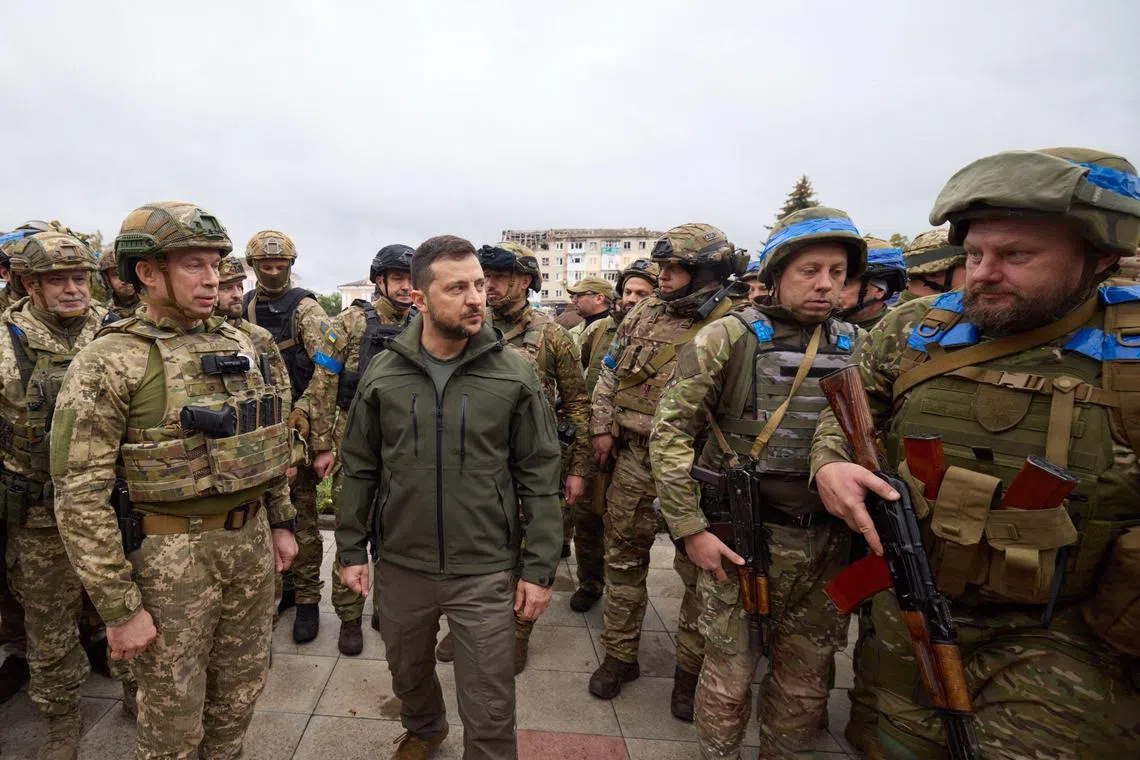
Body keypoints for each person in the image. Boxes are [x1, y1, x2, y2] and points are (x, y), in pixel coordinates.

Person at [811, 147, 1140, 759]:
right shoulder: (916, 329)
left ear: (1099, 257)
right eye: (975, 254)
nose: (984, 273)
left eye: (1016, 255)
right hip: (909, 604)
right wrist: (830, 463)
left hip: (1064, 637)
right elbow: (850, 414)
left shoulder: (1130, 355)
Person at [50, 200, 299, 760]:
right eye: (194, 265)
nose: (213, 278)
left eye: (215, 263)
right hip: (168, 560)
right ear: (147, 272)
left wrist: (281, 521)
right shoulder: (109, 361)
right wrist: (119, 608)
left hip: (250, 547)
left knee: (238, 697)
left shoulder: (249, 344)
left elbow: (270, 438)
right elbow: (78, 498)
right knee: (171, 721)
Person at [650, 207, 866, 758]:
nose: (825, 284)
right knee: (728, 673)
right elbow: (670, 434)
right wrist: (690, 527)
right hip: (744, 538)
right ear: (774, 274)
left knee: (806, 681)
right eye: (809, 270)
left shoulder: (861, 345)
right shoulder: (725, 338)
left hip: (827, 542)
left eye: (838, 273)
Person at [336, 234, 562, 760]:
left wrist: (539, 567)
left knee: (489, 701)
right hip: (402, 563)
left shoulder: (514, 373)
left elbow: (540, 474)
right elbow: (360, 467)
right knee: (407, 673)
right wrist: (350, 550)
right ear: (419, 297)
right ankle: (424, 728)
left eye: (480, 285)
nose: (477, 298)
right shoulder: (385, 373)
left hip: (484, 568)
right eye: (458, 287)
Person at [588, 222, 747, 720]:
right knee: (623, 558)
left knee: (701, 576)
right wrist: (601, 425)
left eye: (675, 268)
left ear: (709, 271)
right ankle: (619, 655)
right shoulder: (644, 312)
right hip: (635, 458)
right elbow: (611, 370)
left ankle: (689, 673)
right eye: (661, 267)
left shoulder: (738, 323)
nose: (663, 277)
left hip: (700, 471)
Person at [443, 240, 589, 673]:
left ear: (525, 281)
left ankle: (518, 631)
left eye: (497, 278)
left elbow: (579, 404)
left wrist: (578, 468)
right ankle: (467, 623)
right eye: (480, 278)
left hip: (528, 464)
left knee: (526, 550)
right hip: (473, 462)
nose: (486, 286)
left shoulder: (552, 335)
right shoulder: (464, 327)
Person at [0, 230, 116, 758]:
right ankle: (61, 721)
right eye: (57, 280)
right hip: (40, 514)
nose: (73, 289)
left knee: (127, 604)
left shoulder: (114, 331)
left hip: (112, 505)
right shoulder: (6, 341)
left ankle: (138, 692)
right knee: (48, 623)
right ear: (29, 284)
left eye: (79, 278)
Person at [242, 230, 339, 644]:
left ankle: (308, 599)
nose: (273, 272)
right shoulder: (246, 306)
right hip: (258, 429)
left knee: (301, 521)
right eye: (265, 266)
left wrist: (315, 432)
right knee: (265, 519)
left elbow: (326, 366)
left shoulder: (306, 309)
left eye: (280, 265)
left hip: (296, 430)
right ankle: (280, 591)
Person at [323, 243, 416, 655]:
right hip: (355, 445)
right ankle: (348, 615)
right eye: (398, 278)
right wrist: (321, 444)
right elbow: (323, 385)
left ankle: (385, 606)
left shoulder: (424, 324)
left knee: (395, 533)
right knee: (352, 529)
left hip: (404, 448)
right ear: (380, 280)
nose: (406, 287)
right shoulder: (348, 324)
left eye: (413, 279)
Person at [570, 260, 660, 613]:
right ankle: (590, 582)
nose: (632, 299)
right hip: (597, 439)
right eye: (628, 292)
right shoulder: (601, 331)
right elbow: (589, 376)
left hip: (639, 447)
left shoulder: (665, 333)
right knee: (586, 516)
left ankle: (622, 587)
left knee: (627, 525)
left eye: (642, 293)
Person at [837, 237, 907, 329]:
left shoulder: (899, 333)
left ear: (879, 290)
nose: (831, 288)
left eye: (845, 283)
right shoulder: (822, 329)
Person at [898, 228, 966, 303]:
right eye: (966, 266)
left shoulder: (946, 310)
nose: (976, 274)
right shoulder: (907, 314)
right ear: (933, 274)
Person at [565, 276, 613, 345]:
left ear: (599, 298)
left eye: (579, 295)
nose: (574, 300)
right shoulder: (575, 332)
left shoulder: (615, 331)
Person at [98, 246, 142, 318]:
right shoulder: (102, 314)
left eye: (129, 271)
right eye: (117, 274)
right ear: (107, 280)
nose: (124, 280)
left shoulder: (155, 309)